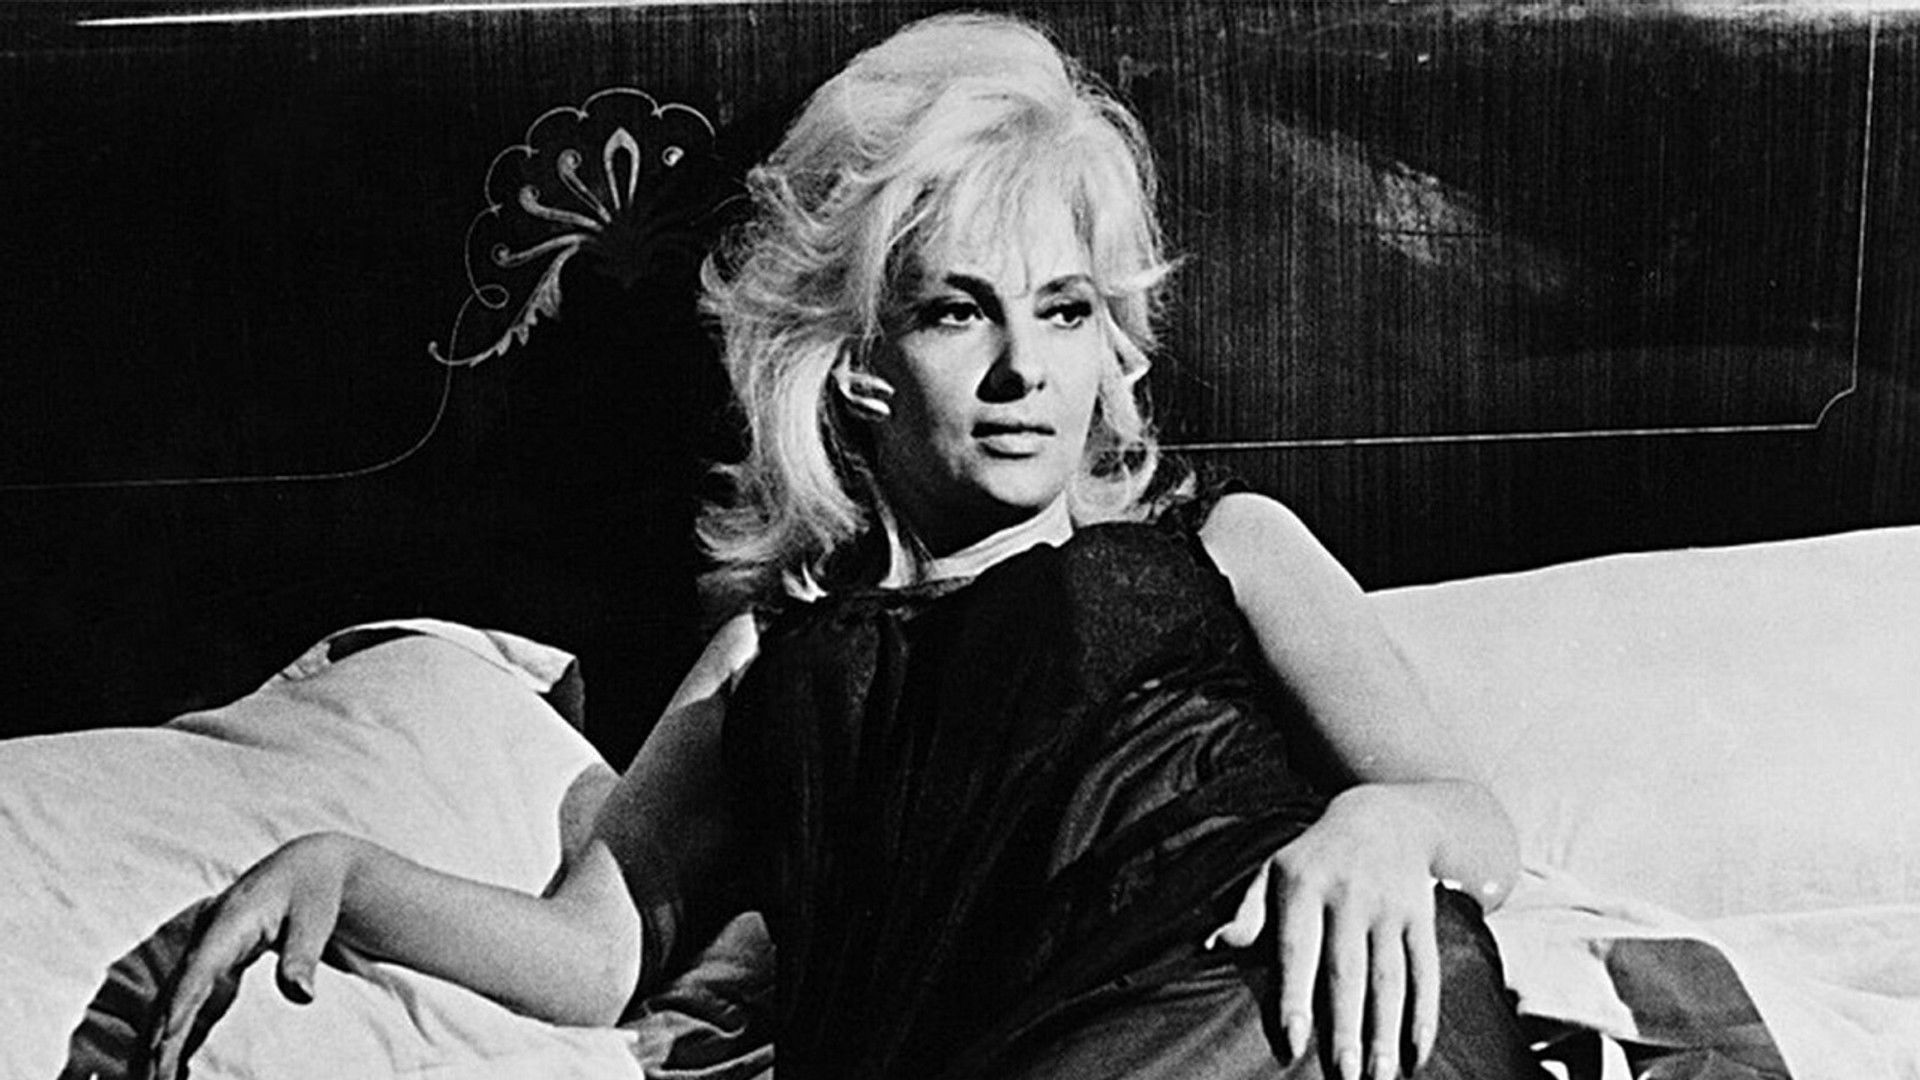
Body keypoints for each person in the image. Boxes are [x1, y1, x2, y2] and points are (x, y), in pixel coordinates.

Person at [151, 12, 1545, 1080]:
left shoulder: (1221, 542)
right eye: (958, 312)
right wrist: (349, 874)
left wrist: (1380, 823)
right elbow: (594, 954)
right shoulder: (773, 654)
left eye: (1065, 311)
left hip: (1288, 1004)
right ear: (858, 358)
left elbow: (1470, 817)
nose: (1024, 371)